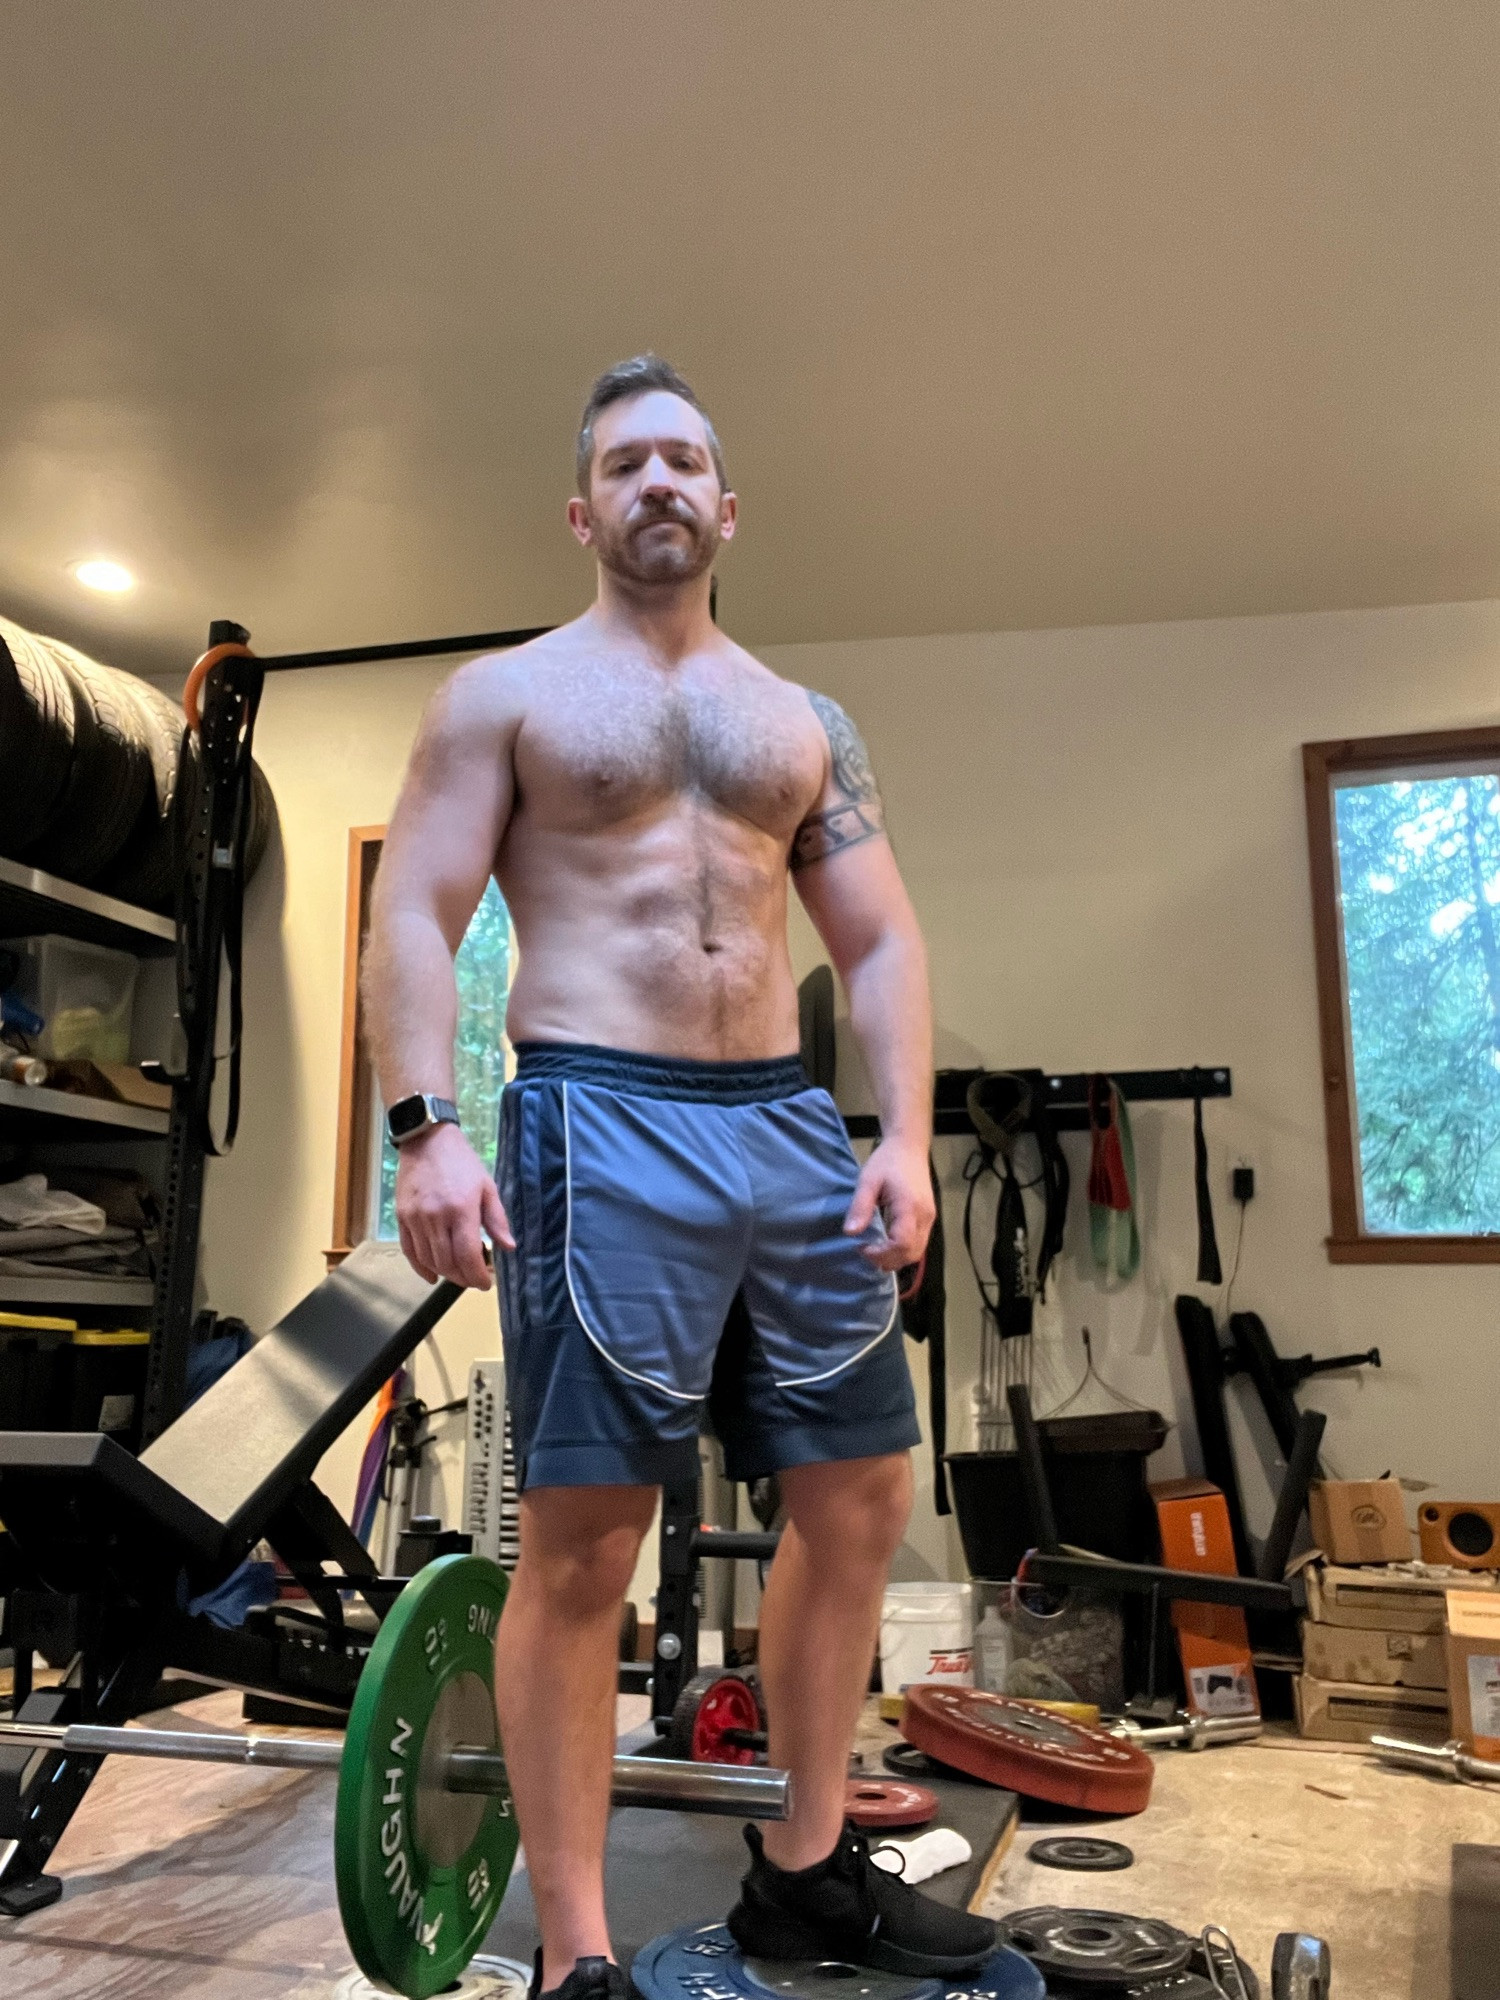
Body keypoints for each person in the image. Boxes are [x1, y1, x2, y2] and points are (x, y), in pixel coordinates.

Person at [363, 356, 996, 2000]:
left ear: (728, 507)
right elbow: (414, 913)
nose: (661, 481)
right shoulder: (504, 696)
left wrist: (907, 1139)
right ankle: (579, 1957)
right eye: (629, 461)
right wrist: (425, 1125)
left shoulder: (805, 722)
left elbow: (880, 941)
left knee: (860, 1497)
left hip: (787, 1125)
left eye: (687, 460)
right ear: (584, 510)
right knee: (587, 1539)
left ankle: (803, 1875)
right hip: (597, 1109)